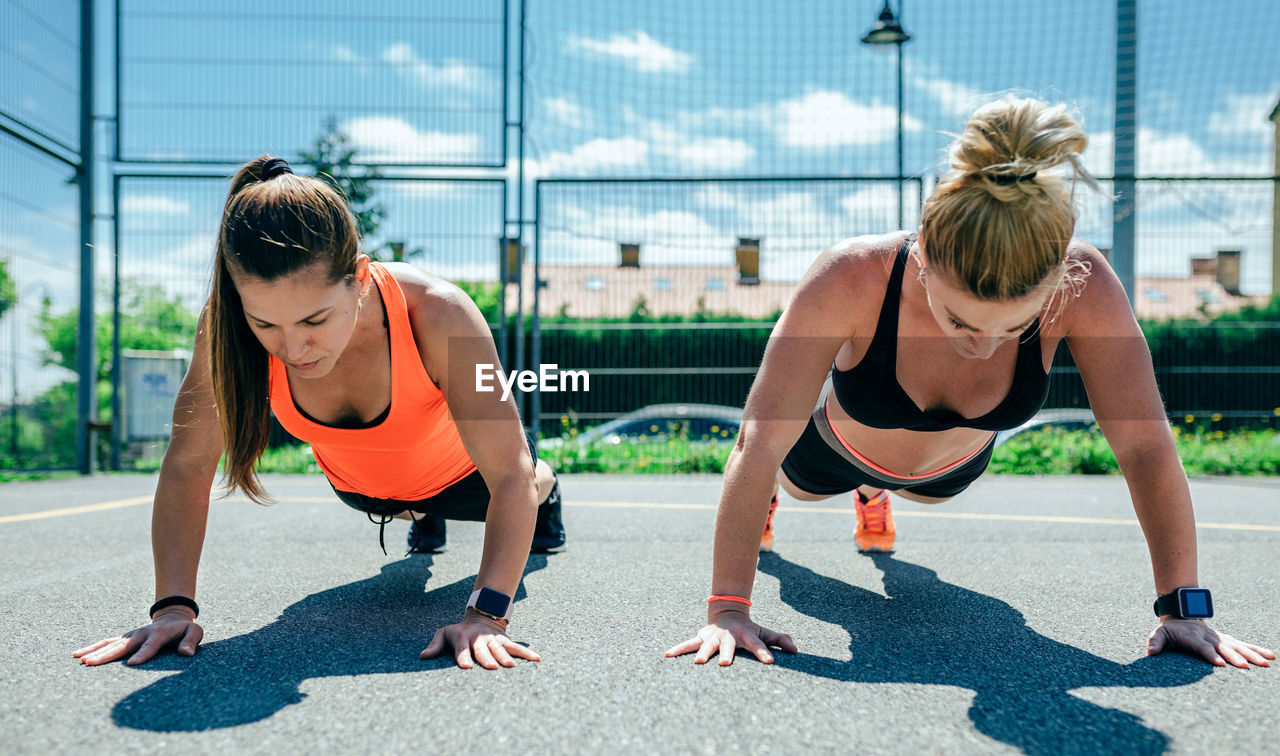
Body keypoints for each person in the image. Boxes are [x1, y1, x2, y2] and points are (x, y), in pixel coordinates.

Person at [666, 97, 1274, 670]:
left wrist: (1184, 608)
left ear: (1058, 280)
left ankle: (876, 496)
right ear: (924, 254)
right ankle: (813, 494)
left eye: (1014, 327)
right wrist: (728, 609)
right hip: (833, 448)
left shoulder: (1087, 286)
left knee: (929, 505)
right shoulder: (851, 276)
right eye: (958, 319)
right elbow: (757, 441)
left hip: (947, 472)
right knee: (796, 495)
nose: (981, 344)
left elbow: (1144, 446)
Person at [73, 156, 564, 671]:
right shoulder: (225, 329)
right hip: (365, 488)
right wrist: (172, 608)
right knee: (410, 504)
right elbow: (188, 465)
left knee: (530, 478)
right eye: (266, 323)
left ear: (358, 276)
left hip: (472, 480)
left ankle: (543, 491)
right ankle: (421, 514)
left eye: (315, 318)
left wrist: (486, 616)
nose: (294, 348)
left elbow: (507, 473)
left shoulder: (440, 312)